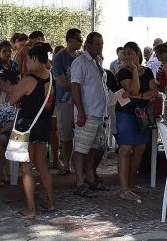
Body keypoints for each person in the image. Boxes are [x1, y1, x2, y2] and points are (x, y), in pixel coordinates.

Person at [10, 43, 55, 218]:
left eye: (27, 59)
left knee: (26, 168)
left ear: (35, 59)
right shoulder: (51, 78)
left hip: (26, 126)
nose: (26, 63)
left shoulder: (28, 80)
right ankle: (50, 203)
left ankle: (31, 209)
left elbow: (13, 99)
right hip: (43, 124)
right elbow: (49, 104)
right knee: (42, 165)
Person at [115, 40, 157, 203]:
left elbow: (153, 92)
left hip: (143, 114)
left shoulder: (147, 72)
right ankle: (124, 189)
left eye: (130, 53)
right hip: (126, 114)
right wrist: (133, 70)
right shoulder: (122, 72)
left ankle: (132, 185)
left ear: (138, 53)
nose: (127, 56)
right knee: (125, 150)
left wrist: (138, 96)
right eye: (124, 53)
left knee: (140, 149)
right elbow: (133, 89)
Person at [70, 32, 111, 197]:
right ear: (88, 44)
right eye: (97, 44)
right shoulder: (80, 63)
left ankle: (91, 178)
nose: (100, 46)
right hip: (86, 113)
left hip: (99, 113)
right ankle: (79, 182)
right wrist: (80, 111)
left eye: (101, 43)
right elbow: (75, 86)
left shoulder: (98, 62)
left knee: (92, 148)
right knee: (81, 148)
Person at [51, 28, 82, 174]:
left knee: (82, 134)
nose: (81, 42)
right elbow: (62, 81)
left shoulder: (81, 56)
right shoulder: (59, 57)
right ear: (69, 40)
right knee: (66, 134)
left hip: (81, 100)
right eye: (78, 39)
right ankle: (67, 164)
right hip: (65, 100)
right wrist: (76, 87)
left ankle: (78, 165)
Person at [0, 70, 19, 186]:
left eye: (0, 83)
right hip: (0, 129)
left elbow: (17, 121)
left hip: (16, 132)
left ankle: (0, 173)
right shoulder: (0, 96)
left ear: (8, 83)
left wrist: (1, 130)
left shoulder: (19, 96)